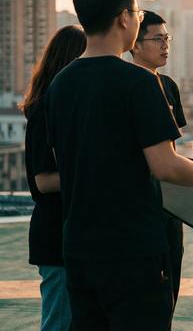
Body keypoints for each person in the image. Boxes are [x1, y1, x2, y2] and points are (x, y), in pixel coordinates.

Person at [44, 0, 193, 331]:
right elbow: (165, 165)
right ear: (123, 18)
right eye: (138, 10)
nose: (139, 16)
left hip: (78, 244)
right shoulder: (140, 83)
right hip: (132, 248)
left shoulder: (61, 84)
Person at [20, 25, 87, 331]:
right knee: (59, 322)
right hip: (56, 235)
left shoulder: (67, 111)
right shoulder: (44, 113)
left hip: (75, 233)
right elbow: (44, 181)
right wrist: (100, 172)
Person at [129, 10, 187, 310]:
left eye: (167, 38)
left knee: (170, 289)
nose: (165, 45)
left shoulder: (168, 86)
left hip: (168, 205)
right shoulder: (126, 85)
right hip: (139, 207)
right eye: (157, 39)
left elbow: (172, 151)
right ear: (135, 44)